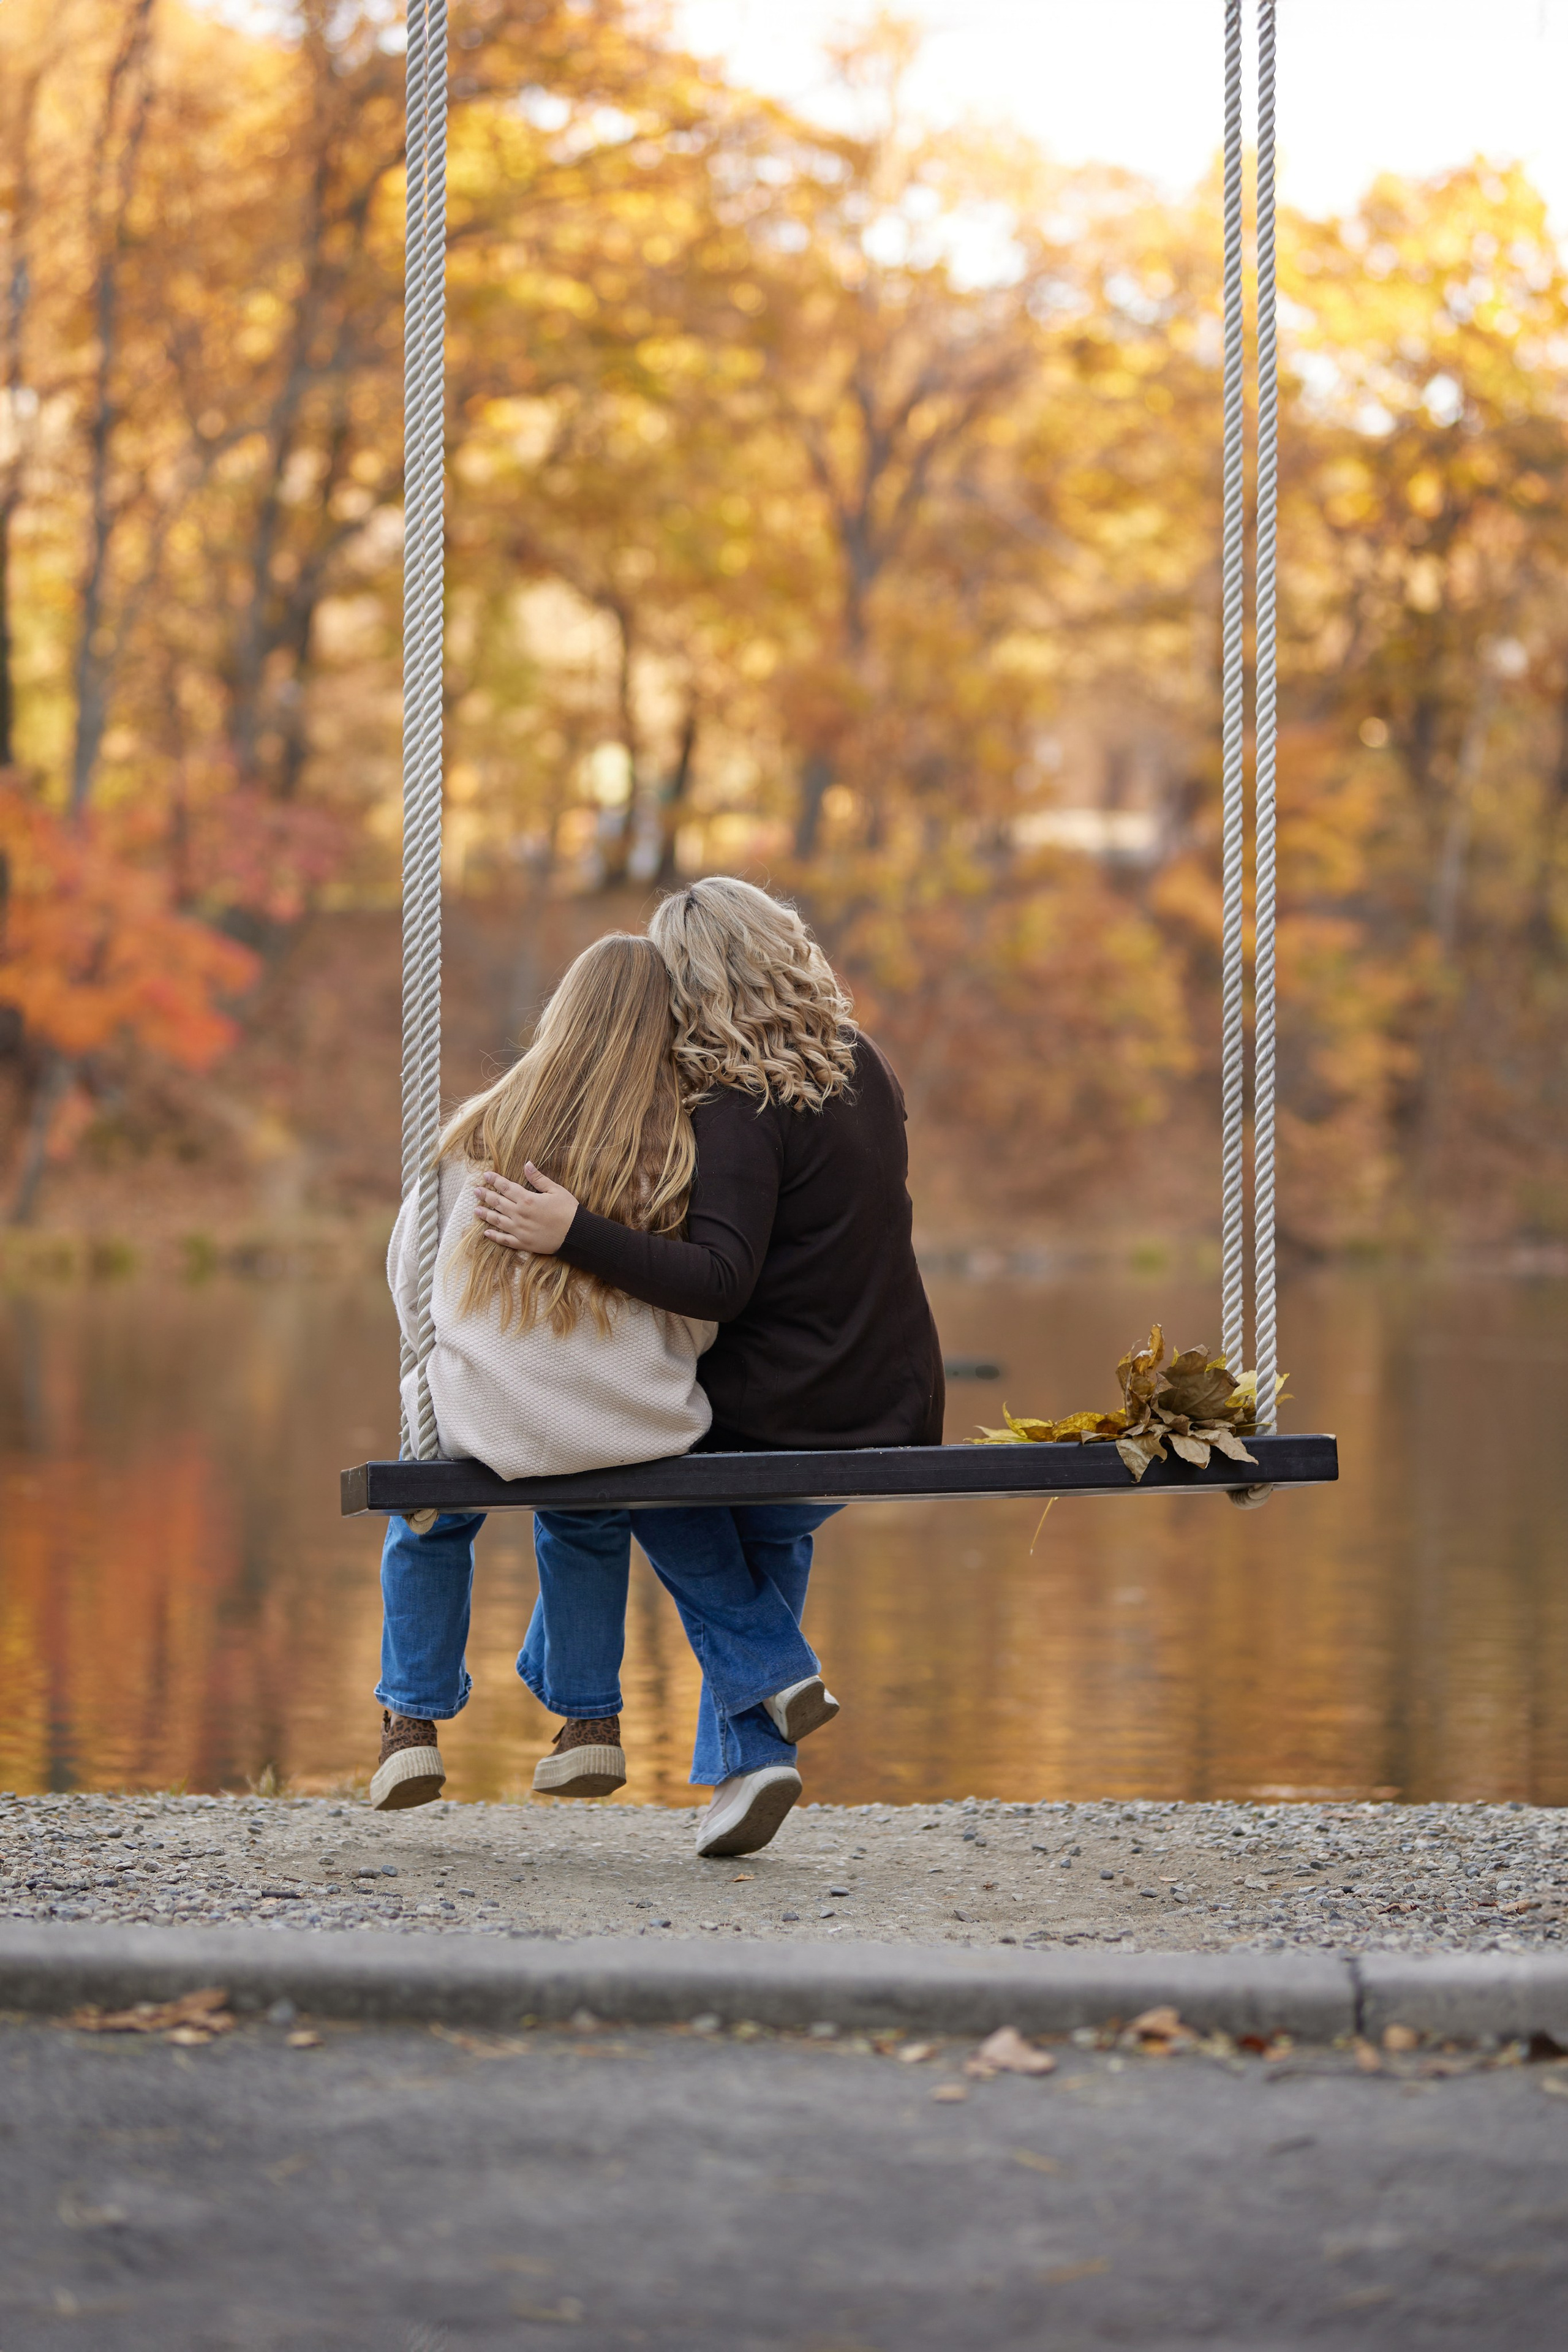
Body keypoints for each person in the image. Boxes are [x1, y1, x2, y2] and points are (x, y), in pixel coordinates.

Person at [475, 878, 944, 1858]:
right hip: (891, 1400)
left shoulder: (737, 1104)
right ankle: (753, 1762)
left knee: (640, 1469)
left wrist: (573, 1232)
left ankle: (771, 1667)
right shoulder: (865, 1066)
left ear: (695, 982)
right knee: (761, 1529)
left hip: (785, 1410)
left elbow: (720, 1282)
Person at [372, 933, 717, 1811]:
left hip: (491, 1407)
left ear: (563, 1010)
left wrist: (445, 1353)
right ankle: (589, 1722)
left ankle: (410, 1726)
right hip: (624, 1416)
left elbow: (411, 1268)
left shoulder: (482, 1128)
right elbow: (703, 1308)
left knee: (429, 1512)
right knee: (588, 1508)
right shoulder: (679, 1142)